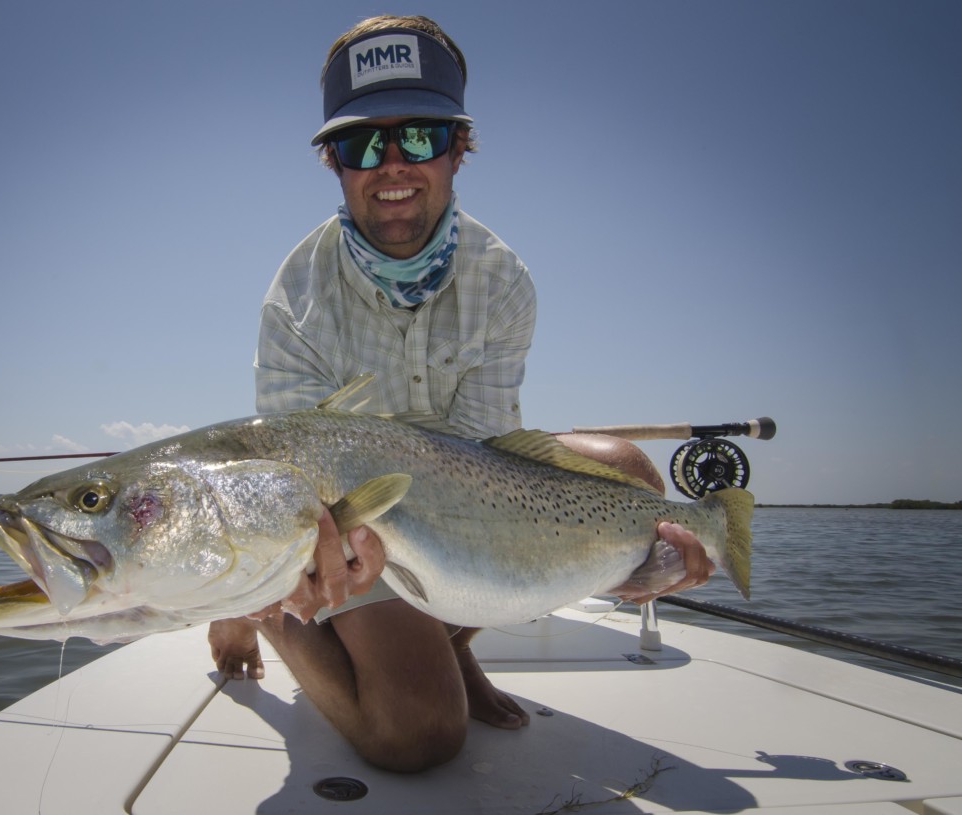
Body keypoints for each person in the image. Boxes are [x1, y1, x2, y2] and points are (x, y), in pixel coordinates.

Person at [208, 14, 715, 773]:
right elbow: (297, 486)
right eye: (359, 144)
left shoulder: (502, 279)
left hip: (460, 492)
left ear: (458, 148)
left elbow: (486, 455)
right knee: (417, 733)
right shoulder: (293, 300)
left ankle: (453, 643)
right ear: (334, 165)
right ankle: (274, 616)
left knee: (632, 480)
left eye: (418, 137)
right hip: (350, 530)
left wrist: (649, 553)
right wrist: (311, 563)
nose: (391, 166)